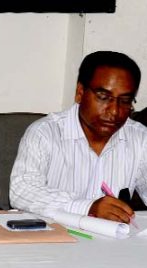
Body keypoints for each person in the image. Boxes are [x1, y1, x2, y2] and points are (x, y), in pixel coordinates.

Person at [10, 51, 147, 222]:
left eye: (125, 101)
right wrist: (88, 207)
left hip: (111, 243)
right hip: (52, 241)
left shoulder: (140, 138)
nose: (114, 111)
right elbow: (22, 191)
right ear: (80, 93)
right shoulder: (45, 133)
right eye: (103, 97)